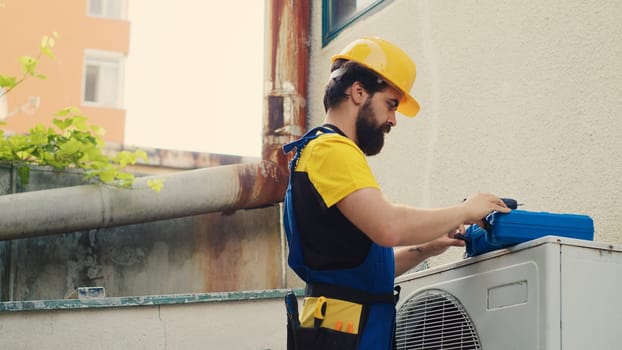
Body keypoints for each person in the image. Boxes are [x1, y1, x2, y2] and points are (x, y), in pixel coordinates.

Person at [282, 36, 510, 350]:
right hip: (348, 339)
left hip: (336, 333)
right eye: (391, 104)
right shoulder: (332, 150)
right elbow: (389, 226)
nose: (393, 120)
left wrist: (426, 248)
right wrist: (466, 210)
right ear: (358, 91)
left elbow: (358, 274)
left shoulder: (314, 151)